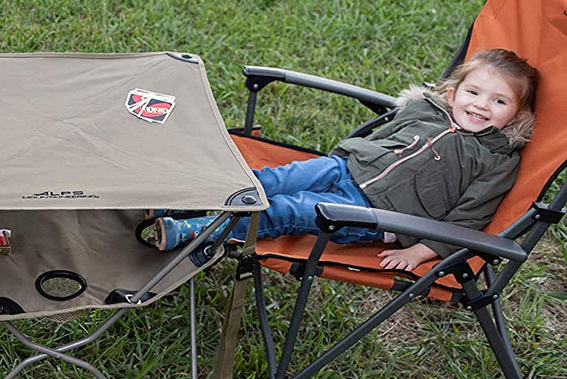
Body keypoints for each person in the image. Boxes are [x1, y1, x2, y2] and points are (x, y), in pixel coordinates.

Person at [159, 48, 538, 272]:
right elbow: (382, 138)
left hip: (377, 213)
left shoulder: (496, 160)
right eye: (473, 91)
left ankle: (196, 233)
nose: (481, 105)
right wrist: (346, 157)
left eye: (499, 101)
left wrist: (417, 251)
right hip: (346, 167)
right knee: (276, 179)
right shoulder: (427, 110)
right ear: (454, 92)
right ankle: (190, 199)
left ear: (517, 115)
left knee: (292, 209)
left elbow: (468, 221)